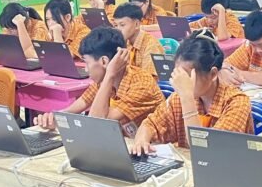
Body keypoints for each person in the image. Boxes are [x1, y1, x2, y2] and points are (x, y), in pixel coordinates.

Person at [130, 31, 253, 153]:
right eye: (179, 75)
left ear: (213, 74)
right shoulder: (178, 98)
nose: (181, 83)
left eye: (187, 77)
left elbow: (206, 151)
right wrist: (141, 141)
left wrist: (187, 98)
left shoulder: (237, 103)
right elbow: (150, 124)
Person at [34, 28, 164, 137]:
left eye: (86, 62)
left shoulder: (141, 85)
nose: (85, 69)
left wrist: (110, 74)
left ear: (104, 61)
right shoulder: (103, 80)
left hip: (153, 150)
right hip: (122, 143)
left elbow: (96, 123)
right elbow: (75, 107)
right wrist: (54, 118)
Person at [112, 2, 165, 76]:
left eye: (122, 25)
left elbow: (148, 78)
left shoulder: (151, 45)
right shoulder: (124, 41)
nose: (118, 29)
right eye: (115, 25)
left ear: (137, 24)